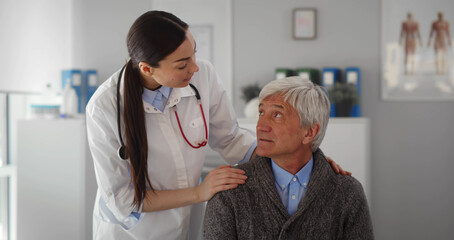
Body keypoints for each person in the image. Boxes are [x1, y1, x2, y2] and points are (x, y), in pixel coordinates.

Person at [86, 11, 348, 240]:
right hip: (132, 233)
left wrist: (306, 163)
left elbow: (231, 139)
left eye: (194, 54)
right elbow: (122, 198)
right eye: (182, 64)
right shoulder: (104, 108)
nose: (195, 67)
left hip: (185, 225)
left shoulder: (203, 76)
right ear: (147, 68)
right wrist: (200, 192)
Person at [203, 77, 373, 239]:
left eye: (276, 115)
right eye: (261, 112)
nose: (260, 126)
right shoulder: (228, 191)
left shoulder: (348, 193)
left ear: (309, 132)